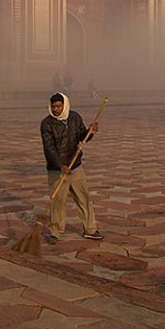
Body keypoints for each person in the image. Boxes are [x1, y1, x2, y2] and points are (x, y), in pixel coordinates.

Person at [40, 92, 102, 244]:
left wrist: (90, 131)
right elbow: (49, 149)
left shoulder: (74, 117)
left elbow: (82, 136)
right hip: (57, 170)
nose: (55, 109)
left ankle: (90, 229)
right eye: (53, 106)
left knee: (84, 199)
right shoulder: (46, 124)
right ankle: (56, 232)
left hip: (75, 167)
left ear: (65, 105)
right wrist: (60, 166)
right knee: (58, 203)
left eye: (59, 106)